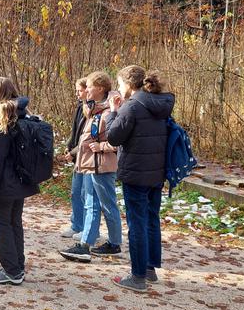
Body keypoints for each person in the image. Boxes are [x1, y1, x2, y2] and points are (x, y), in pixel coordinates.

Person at [107, 66, 175, 293]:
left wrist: (113, 113)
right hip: (156, 172)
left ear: (128, 84)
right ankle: (149, 269)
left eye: (119, 84)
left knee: (137, 223)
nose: (118, 88)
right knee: (151, 219)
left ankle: (137, 277)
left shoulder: (133, 106)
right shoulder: (160, 104)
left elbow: (114, 137)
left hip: (136, 172)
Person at [0, 77, 39, 285]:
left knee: (2, 223)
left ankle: (11, 271)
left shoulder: (0, 116)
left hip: (4, 183)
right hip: (21, 180)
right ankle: (17, 266)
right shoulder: (23, 113)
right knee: (14, 222)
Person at [60, 71, 122, 263]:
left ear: (100, 88)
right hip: (89, 165)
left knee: (108, 205)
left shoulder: (110, 110)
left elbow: (117, 140)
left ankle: (114, 242)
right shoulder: (92, 109)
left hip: (102, 166)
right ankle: (85, 245)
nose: (85, 90)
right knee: (91, 204)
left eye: (89, 86)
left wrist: (101, 147)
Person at [60, 77, 93, 240]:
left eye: (80, 90)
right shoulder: (80, 107)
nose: (77, 94)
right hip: (77, 156)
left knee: (85, 194)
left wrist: (73, 152)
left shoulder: (93, 109)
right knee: (75, 192)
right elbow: (75, 132)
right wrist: (68, 146)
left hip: (86, 156)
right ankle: (76, 225)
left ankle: (86, 228)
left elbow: (87, 138)